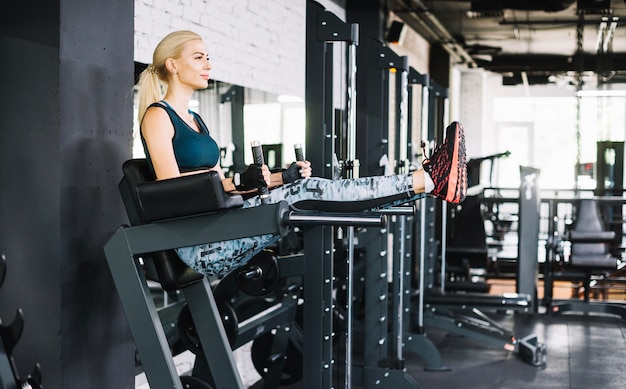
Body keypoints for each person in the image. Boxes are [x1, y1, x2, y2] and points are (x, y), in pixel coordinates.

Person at [136, 30, 467, 280]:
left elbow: (224, 189)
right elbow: (174, 191)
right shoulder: (157, 116)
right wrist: (237, 180)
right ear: (172, 64)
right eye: (198, 57)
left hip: (221, 224)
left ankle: (428, 184)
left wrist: (282, 177)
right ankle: (427, 178)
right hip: (201, 243)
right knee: (309, 194)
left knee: (311, 192)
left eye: (207, 56)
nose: (208, 64)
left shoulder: (196, 120)